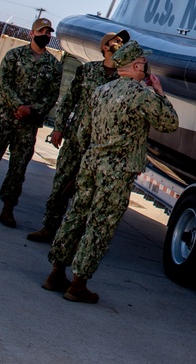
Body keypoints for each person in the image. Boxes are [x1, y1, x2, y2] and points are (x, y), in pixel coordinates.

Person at [43, 40, 178, 303]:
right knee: (100, 225)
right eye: (143, 63)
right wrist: (160, 94)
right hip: (116, 172)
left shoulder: (101, 91)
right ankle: (78, 283)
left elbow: (84, 132)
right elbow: (170, 123)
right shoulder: (141, 95)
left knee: (76, 216)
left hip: (91, 164)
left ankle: (56, 273)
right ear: (137, 66)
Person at [26, 28, 130, 244]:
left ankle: (73, 237)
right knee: (61, 184)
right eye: (115, 40)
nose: (119, 43)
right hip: (76, 139)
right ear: (105, 47)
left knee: (88, 193)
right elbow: (69, 100)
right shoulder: (87, 71)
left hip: (101, 146)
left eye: (122, 42)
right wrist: (58, 128)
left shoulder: (125, 78)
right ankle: (49, 227)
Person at [0, 18, 63, 227]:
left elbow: (51, 95)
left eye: (48, 32)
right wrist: (18, 106)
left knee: (18, 169)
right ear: (32, 33)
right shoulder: (14, 55)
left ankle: (8, 209)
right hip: (5, 119)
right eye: (42, 31)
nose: (46, 35)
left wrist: (32, 110)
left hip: (28, 125)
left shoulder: (54, 65)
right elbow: (4, 84)